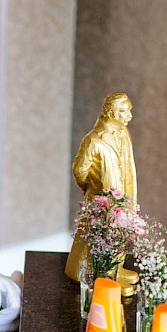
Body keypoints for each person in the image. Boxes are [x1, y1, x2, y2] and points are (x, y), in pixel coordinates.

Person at [64, 92, 140, 284]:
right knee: (95, 239)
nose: (129, 115)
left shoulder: (123, 132)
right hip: (102, 199)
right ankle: (93, 274)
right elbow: (79, 170)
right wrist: (93, 189)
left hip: (124, 194)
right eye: (125, 111)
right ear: (112, 112)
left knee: (119, 235)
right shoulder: (93, 140)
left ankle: (115, 270)